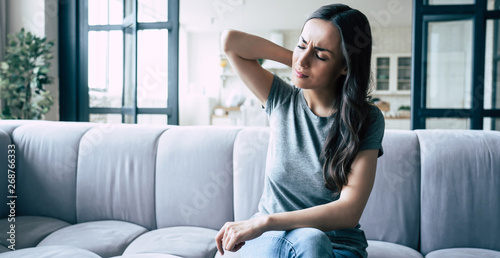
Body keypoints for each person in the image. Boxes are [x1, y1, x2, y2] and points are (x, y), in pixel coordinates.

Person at [216, 3, 385, 258]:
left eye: (321, 55)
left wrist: (265, 221)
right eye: (302, 43)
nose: (304, 58)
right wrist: (301, 61)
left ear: (345, 67)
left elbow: (349, 210)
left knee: (311, 240)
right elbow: (231, 42)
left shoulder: (367, 118)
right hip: (272, 241)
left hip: (333, 247)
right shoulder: (281, 99)